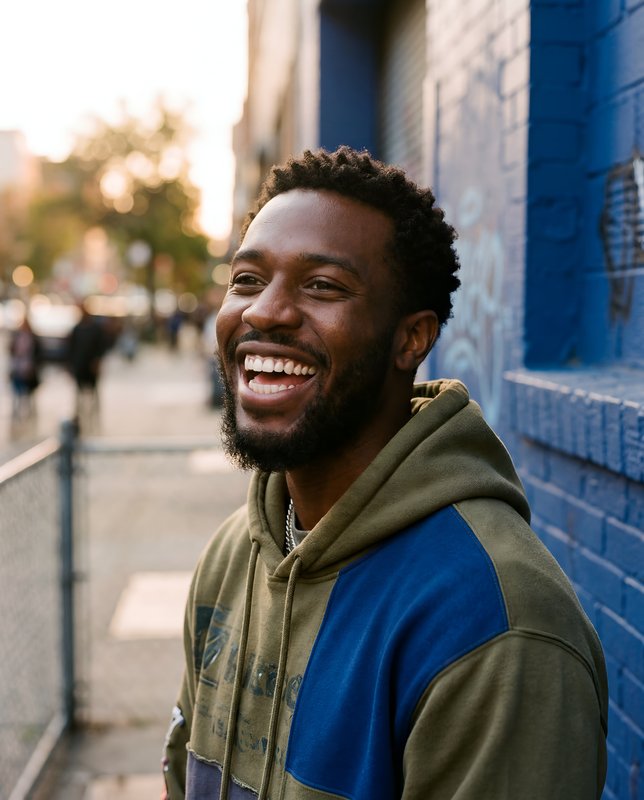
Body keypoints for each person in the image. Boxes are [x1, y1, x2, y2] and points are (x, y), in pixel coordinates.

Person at [163, 147, 608, 800]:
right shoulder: (233, 555)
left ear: (412, 339)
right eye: (248, 280)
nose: (265, 312)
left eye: (322, 286)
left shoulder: (496, 626)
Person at [67, 301, 107, 422]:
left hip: (91, 366)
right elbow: (71, 348)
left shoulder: (95, 329)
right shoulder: (77, 329)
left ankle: (93, 414)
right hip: (80, 366)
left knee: (93, 391)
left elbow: (101, 347)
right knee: (79, 392)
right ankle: (80, 414)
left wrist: (97, 361)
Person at [8, 317, 42, 419]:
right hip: (18, 368)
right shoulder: (16, 337)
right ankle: (16, 411)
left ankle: (30, 411)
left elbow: (38, 354)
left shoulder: (34, 338)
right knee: (17, 391)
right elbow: (12, 352)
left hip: (29, 367)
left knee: (29, 392)